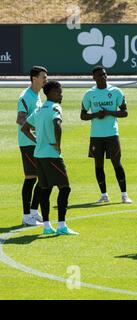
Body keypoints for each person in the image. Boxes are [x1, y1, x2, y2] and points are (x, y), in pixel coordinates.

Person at [21, 81, 78, 235]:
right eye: (59, 92)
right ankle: (61, 226)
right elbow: (57, 124)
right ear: (52, 93)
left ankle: (47, 226)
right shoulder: (55, 107)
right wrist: (57, 144)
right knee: (65, 189)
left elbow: (25, 128)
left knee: (45, 189)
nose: (61, 95)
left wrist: (37, 141)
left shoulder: (39, 109)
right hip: (52, 155)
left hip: (38, 155)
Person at [80, 66, 132, 204]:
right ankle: (104, 195)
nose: (103, 77)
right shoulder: (89, 94)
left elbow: (124, 112)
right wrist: (96, 114)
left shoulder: (116, 91)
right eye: (99, 75)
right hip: (96, 136)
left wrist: (109, 112)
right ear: (94, 77)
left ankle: (124, 195)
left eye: (104, 74)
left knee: (117, 163)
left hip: (112, 134)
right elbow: (83, 115)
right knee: (98, 165)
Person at [16, 66, 47, 226]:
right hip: (28, 143)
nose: (45, 79)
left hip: (36, 142)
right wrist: (37, 129)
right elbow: (20, 120)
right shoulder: (25, 96)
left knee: (41, 178)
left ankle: (34, 212)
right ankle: (26, 216)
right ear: (34, 78)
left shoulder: (36, 95)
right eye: (43, 77)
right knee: (30, 179)